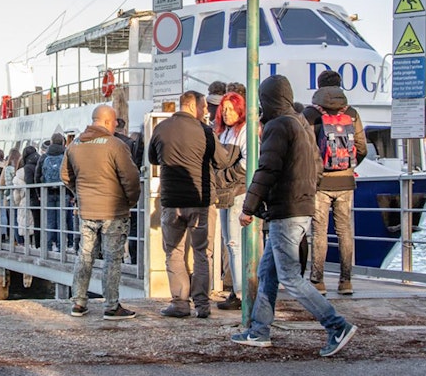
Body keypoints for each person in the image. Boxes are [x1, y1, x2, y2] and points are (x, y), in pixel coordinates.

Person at [231, 75, 357, 358]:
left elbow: (267, 170)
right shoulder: (300, 122)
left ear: (267, 99)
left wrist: (249, 207)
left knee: (289, 277)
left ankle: (337, 325)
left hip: (286, 210)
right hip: (300, 206)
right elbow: (317, 165)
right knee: (268, 273)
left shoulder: (278, 126)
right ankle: (259, 330)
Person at [148, 90, 237, 319]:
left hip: (171, 201)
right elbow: (222, 161)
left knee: (174, 252)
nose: (206, 111)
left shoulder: (161, 129)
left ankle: (179, 303)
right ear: (193, 106)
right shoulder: (205, 131)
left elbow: (153, 158)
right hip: (201, 201)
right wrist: (236, 148)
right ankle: (202, 305)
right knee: (201, 253)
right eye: (204, 106)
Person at [62, 104, 141, 320]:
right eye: (115, 121)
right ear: (107, 121)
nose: (116, 125)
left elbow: (65, 176)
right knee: (112, 258)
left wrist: (79, 194)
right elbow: (130, 177)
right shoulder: (115, 145)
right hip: (114, 210)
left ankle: (78, 302)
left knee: (84, 255)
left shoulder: (75, 144)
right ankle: (111, 305)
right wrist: (131, 200)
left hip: (86, 209)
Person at [303, 70, 368, 295]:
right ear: (340, 86)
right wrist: (348, 165)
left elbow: (306, 148)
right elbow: (362, 147)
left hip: (320, 182)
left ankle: (317, 281)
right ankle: (346, 281)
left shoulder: (310, 113)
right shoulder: (351, 113)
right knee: (344, 231)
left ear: (319, 87)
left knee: (319, 231)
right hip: (346, 180)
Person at [212, 91, 248, 311]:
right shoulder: (224, 133)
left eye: (230, 109)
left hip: (237, 191)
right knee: (229, 242)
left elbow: (248, 160)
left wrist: (225, 176)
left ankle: (241, 292)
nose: (226, 113)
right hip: (226, 192)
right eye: (224, 109)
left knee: (234, 244)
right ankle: (238, 289)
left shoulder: (243, 132)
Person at [36, 133, 68, 252]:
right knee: (61, 221)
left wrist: (39, 193)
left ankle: (48, 247)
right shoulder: (66, 154)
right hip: (63, 192)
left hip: (47, 193)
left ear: (51, 142)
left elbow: (37, 175)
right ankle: (61, 248)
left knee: (49, 221)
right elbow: (71, 174)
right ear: (63, 142)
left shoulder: (44, 156)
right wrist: (71, 193)